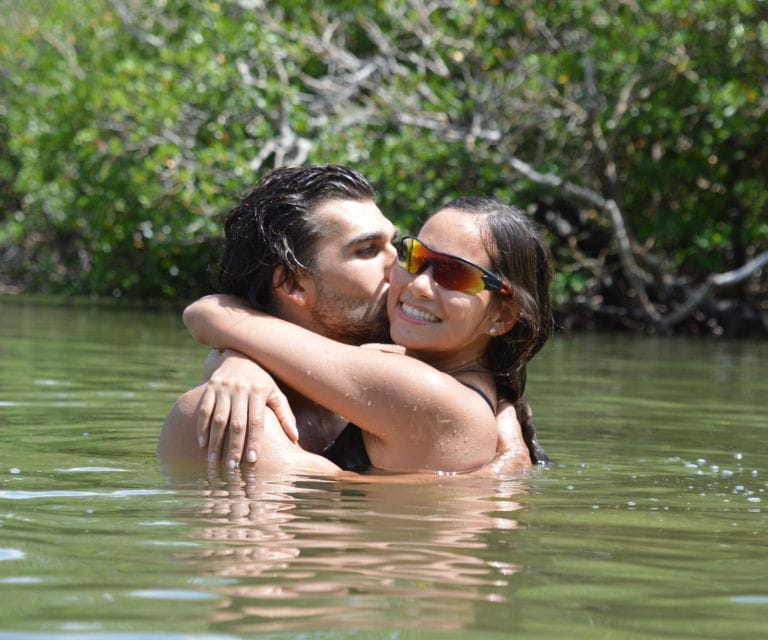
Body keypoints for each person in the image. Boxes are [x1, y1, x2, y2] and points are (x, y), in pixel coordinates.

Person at [158, 166, 542, 474]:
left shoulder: (425, 389)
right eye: (369, 250)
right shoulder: (228, 410)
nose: (402, 273)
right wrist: (239, 358)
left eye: (456, 273)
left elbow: (331, 508)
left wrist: (218, 325)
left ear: (503, 316)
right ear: (293, 283)